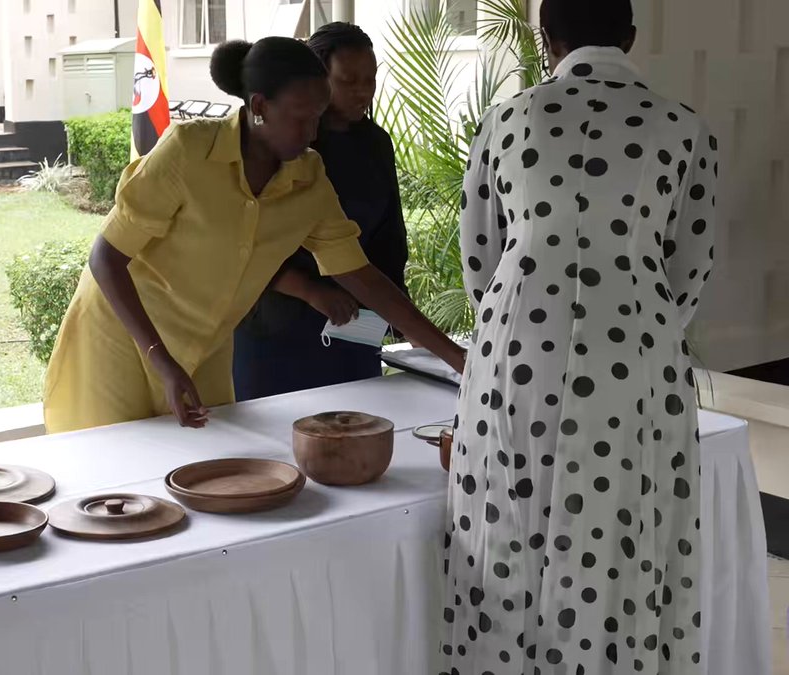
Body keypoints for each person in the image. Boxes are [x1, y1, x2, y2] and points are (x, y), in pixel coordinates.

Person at [441, 0, 717, 672]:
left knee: (508, 515)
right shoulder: (684, 127)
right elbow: (691, 266)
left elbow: (479, 254)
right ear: (630, 37)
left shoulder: (506, 119)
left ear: (547, 38)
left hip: (517, 345)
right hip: (636, 347)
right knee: (623, 517)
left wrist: (518, 319)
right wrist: (636, 326)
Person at [42, 36, 466, 434]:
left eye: (317, 117)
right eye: (301, 118)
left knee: (202, 467)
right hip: (122, 339)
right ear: (260, 106)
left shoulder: (309, 177)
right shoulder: (188, 151)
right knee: (116, 469)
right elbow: (106, 258)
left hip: (203, 350)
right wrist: (162, 360)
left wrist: (457, 358)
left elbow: (360, 274)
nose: (312, 133)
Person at [232, 22, 412, 401]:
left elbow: (389, 238)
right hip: (276, 326)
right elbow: (241, 244)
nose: (364, 91)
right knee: (276, 433)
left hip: (355, 325)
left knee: (361, 422)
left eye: (371, 79)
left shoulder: (376, 144)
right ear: (317, 79)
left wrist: (399, 313)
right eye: (349, 80)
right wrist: (308, 290)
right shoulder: (280, 143)